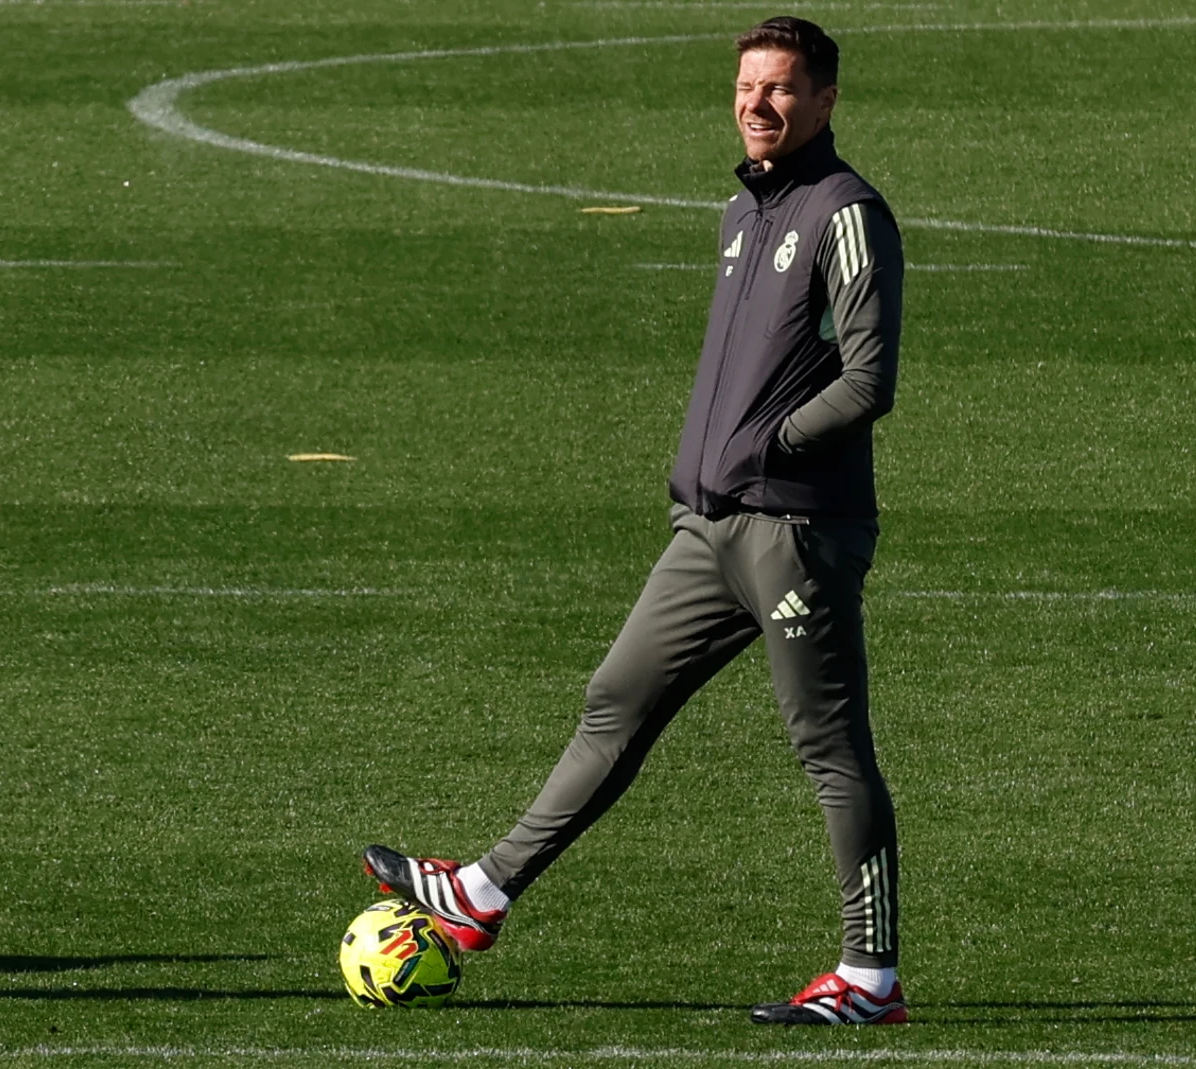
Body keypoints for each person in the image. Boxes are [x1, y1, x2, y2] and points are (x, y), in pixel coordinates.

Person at [363, 16, 907, 1025]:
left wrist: (765, 448)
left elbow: (868, 381)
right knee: (615, 698)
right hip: (706, 530)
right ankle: (483, 893)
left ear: (825, 100)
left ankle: (870, 976)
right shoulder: (740, 216)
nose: (758, 104)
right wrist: (708, 471)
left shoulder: (846, 211)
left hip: (793, 531)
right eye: (746, 87)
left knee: (828, 747)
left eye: (781, 89)